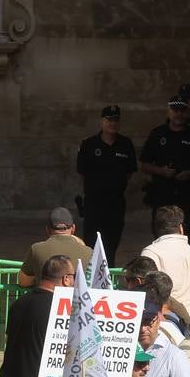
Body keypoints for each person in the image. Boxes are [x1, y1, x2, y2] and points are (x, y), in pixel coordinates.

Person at [141, 96, 190, 266]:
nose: (179, 113)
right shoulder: (158, 134)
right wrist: (161, 171)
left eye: (182, 110)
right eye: (175, 109)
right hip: (163, 196)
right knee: (162, 237)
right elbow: (144, 164)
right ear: (168, 111)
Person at [76, 104, 137, 260]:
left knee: (111, 245)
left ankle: (108, 278)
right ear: (102, 121)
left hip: (115, 204)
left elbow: (129, 172)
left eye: (116, 120)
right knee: (91, 246)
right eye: (109, 120)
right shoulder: (89, 145)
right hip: (94, 203)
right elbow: (82, 172)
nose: (113, 123)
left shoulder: (126, 144)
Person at [141, 205, 190, 317]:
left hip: (166, 319)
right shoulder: (188, 250)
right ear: (180, 227)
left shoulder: (151, 252)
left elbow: (148, 291)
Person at [18, 208, 92, 287]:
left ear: (48, 230)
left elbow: (23, 282)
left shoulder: (36, 249)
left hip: (46, 298)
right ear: (73, 228)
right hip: (75, 299)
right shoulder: (89, 252)